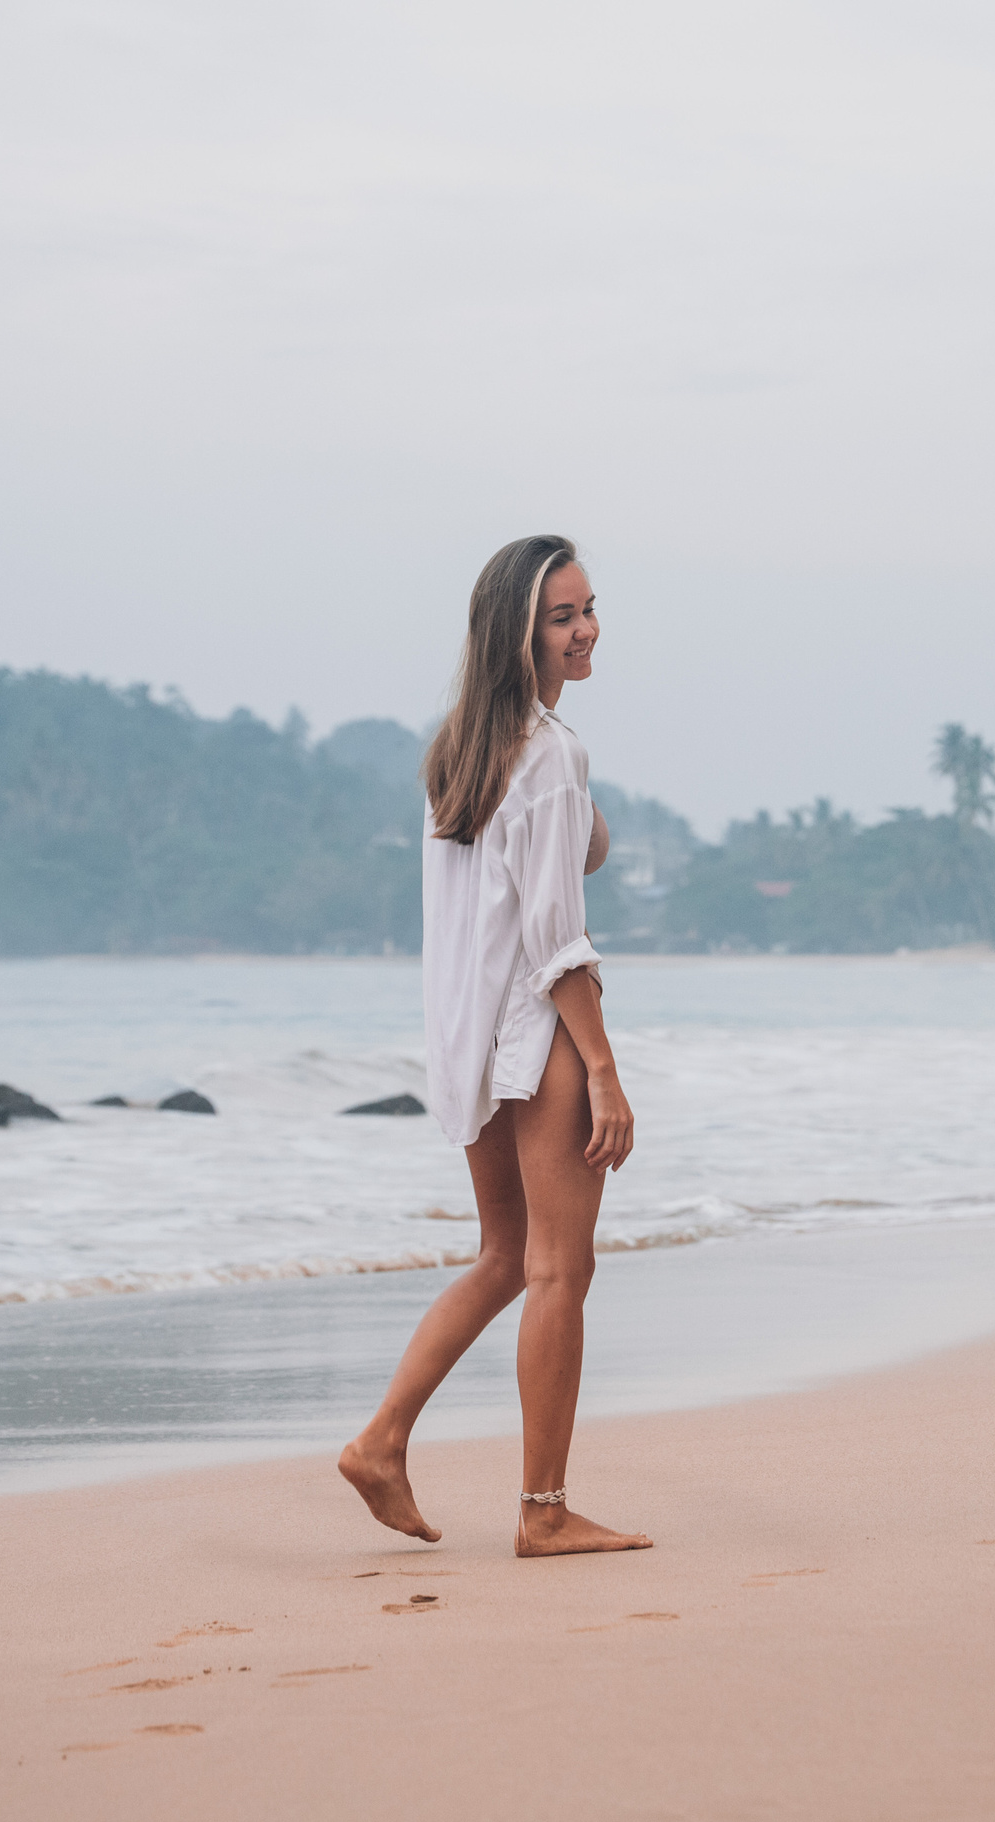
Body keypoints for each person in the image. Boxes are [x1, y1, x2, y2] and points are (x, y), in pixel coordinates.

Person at [338, 536, 651, 1558]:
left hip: (469, 1039)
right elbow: (558, 938)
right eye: (561, 616)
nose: (585, 628)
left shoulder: (462, 748)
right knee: (560, 1270)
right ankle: (544, 1513)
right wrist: (603, 1068)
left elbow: (526, 883)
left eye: (589, 608)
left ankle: (381, 1441)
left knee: (508, 1256)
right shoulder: (549, 753)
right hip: (542, 1028)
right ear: (516, 631)